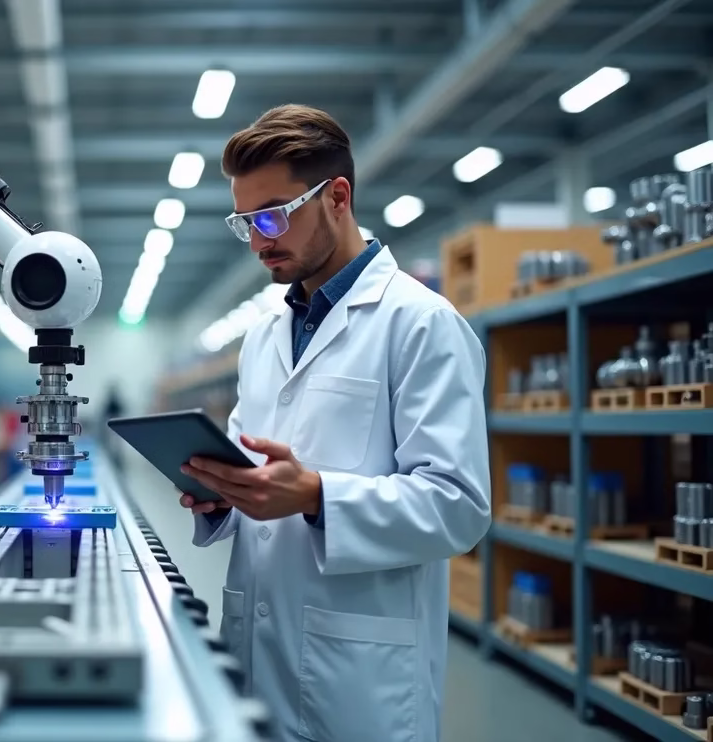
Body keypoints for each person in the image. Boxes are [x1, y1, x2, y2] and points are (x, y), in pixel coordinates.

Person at [178, 104, 491, 742]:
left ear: (337, 197)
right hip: (257, 648)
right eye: (246, 222)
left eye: (271, 215)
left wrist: (319, 496)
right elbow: (255, 467)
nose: (260, 239)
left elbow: (458, 506)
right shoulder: (265, 334)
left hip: (359, 680)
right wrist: (220, 497)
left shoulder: (421, 324)